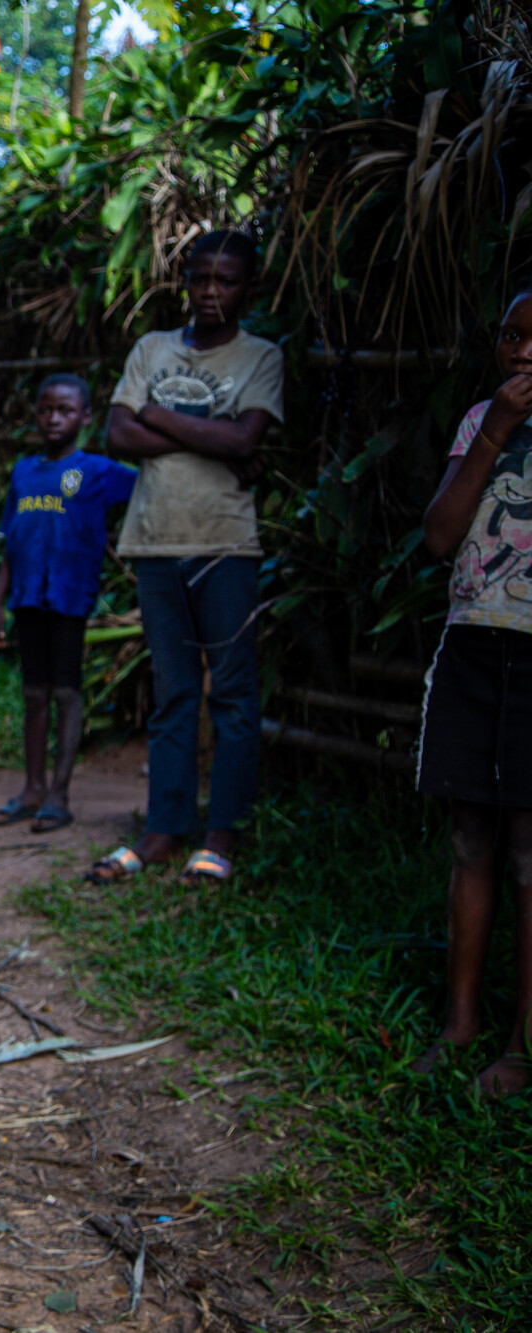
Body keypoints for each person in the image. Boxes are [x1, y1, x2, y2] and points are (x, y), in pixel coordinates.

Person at [87, 230, 282, 887]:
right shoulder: (152, 348)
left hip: (225, 544)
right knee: (172, 694)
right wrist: (218, 440)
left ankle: (221, 834)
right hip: (154, 543)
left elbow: (247, 435)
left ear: (247, 288)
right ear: (185, 280)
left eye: (225, 280)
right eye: (200, 278)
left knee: (230, 693)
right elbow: (116, 431)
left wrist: (158, 417)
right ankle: (164, 829)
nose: (210, 291)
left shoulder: (261, 357)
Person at [414, 288, 532, 1098]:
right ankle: (460, 1023)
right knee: (471, 839)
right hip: (471, 644)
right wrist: (493, 430)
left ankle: (524, 1044)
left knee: (530, 850)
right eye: (514, 336)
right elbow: (440, 533)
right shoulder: (477, 421)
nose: (524, 354)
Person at [0, 374, 136, 833]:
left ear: (85, 418)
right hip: (28, 598)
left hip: (70, 598)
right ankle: (32, 789)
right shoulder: (24, 472)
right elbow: (10, 544)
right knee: (34, 693)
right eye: (46, 409)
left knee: (67, 692)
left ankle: (60, 794)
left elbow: (153, 486)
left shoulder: (98, 471)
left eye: (65, 411)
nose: (54, 418)